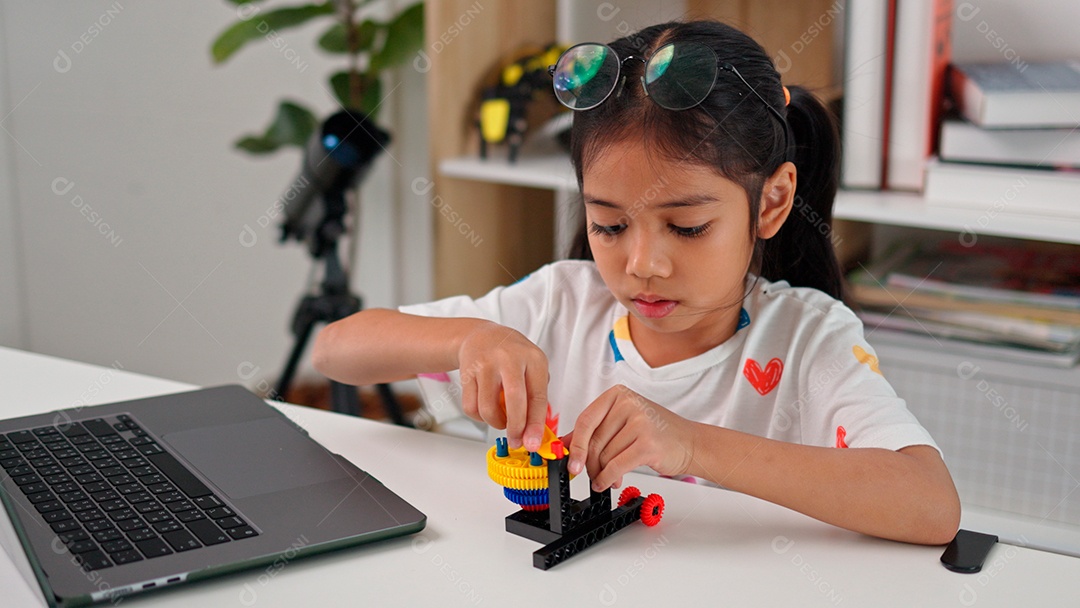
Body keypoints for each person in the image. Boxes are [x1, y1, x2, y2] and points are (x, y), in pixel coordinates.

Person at [313, 20, 961, 545]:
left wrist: (691, 445)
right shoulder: (558, 304)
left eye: (686, 227)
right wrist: (466, 339)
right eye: (610, 225)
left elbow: (931, 504)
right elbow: (335, 349)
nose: (643, 263)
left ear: (771, 201)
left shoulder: (805, 340)